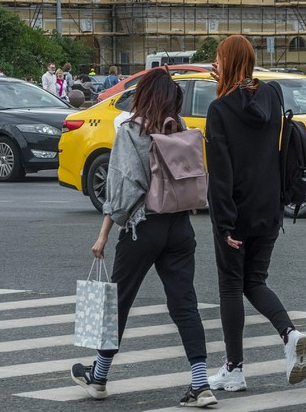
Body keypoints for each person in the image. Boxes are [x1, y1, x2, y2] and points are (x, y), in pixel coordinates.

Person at [71, 68, 218, 408]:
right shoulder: (180, 129)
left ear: (143, 95)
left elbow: (122, 188)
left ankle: (99, 376)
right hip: (180, 228)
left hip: (143, 228)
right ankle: (201, 384)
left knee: (117, 304)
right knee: (185, 305)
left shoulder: (132, 132)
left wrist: (104, 234)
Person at [205, 35, 306, 392]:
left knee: (232, 286)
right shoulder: (273, 94)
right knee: (256, 281)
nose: (214, 64)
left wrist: (223, 224)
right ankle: (289, 333)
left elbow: (221, 173)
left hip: (236, 211)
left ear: (231, 62)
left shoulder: (219, 110)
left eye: (219, 58)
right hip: (270, 206)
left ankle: (234, 369)